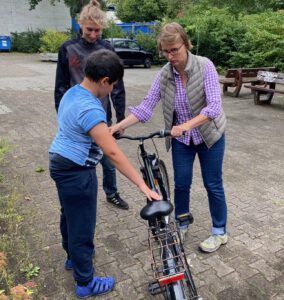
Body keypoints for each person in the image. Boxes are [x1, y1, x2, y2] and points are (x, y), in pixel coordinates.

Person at [49, 49, 161, 298]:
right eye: (114, 85)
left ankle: (72, 258)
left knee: (69, 215)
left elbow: (76, 127)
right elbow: (113, 154)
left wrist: (101, 131)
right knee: (82, 226)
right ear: (104, 81)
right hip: (77, 171)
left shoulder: (72, 92)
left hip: (59, 161)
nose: (113, 90)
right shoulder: (91, 109)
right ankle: (85, 283)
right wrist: (143, 186)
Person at [110, 22, 228, 253]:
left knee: (213, 184)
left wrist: (185, 125)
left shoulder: (205, 66)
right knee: (182, 184)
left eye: (174, 49)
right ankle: (182, 224)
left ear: (185, 44)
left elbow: (214, 107)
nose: (170, 55)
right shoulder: (165, 74)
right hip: (182, 140)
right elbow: (146, 107)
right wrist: (118, 126)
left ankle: (219, 232)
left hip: (209, 136)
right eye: (165, 51)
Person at [54, 0, 129, 210]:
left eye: (98, 30)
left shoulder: (107, 48)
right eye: (89, 29)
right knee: (79, 159)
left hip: (101, 116)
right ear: (80, 24)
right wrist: (62, 116)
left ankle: (112, 193)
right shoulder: (68, 49)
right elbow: (60, 86)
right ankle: (78, 196)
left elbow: (118, 86)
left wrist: (121, 119)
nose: (94, 34)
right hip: (77, 117)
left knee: (108, 157)